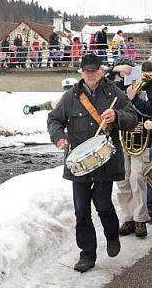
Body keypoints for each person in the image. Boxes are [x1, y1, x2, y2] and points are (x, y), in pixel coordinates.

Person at [48, 53, 137, 273]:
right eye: (87, 71)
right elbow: (54, 119)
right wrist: (59, 137)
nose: (91, 75)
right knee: (81, 211)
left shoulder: (113, 93)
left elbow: (132, 117)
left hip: (105, 161)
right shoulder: (71, 96)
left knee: (103, 205)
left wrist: (117, 116)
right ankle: (87, 254)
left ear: (101, 71)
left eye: (94, 71)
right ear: (82, 72)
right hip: (78, 164)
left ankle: (112, 235)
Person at [116, 61, 152, 238]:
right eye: (123, 71)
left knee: (137, 178)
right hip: (121, 138)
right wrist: (115, 71)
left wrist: (134, 98)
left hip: (141, 138)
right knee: (123, 180)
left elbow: (150, 110)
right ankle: (128, 218)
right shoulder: (117, 86)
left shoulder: (149, 86)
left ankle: (140, 218)